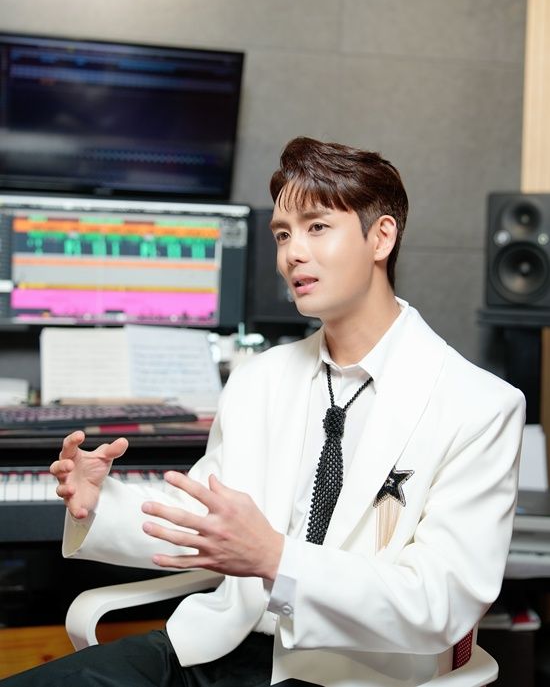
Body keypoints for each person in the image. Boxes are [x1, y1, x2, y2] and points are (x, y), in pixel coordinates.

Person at [2, 137, 525, 687]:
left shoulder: (479, 407)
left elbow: (440, 604)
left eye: (316, 227)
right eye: (282, 234)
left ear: (381, 237)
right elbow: (207, 521)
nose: (292, 253)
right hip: (218, 646)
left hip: (353, 671)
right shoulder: (259, 379)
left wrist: (277, 558)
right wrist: (97, 502)